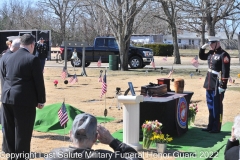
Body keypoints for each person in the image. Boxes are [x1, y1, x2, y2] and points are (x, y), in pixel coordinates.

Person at [1, 34, 46, 159]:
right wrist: (41, 100)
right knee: (23, 132)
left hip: (6, 97)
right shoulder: (32, 59)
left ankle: (11, 156)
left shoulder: (8, 57)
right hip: (23, 100)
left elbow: (5, 77)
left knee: (9, 130)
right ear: (32, 45)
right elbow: (38, 81)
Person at [45, 113, 143, 160]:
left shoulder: (53, 155)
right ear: (96, 137)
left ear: (70, 134)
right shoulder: (105, 157)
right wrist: (113, 141)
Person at [199, 36, 230, 133]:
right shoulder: (211, 53)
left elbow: (225, 71)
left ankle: (216, 127)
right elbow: (202, 57)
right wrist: (202, 48)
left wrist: (223, 85)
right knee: (210, 105)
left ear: (218, 43)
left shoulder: (224, 54)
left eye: (212, 43)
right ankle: (210, 125)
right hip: (209, 82)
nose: (211, 45)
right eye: (210, 43)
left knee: (217, 106)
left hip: (217, 83)